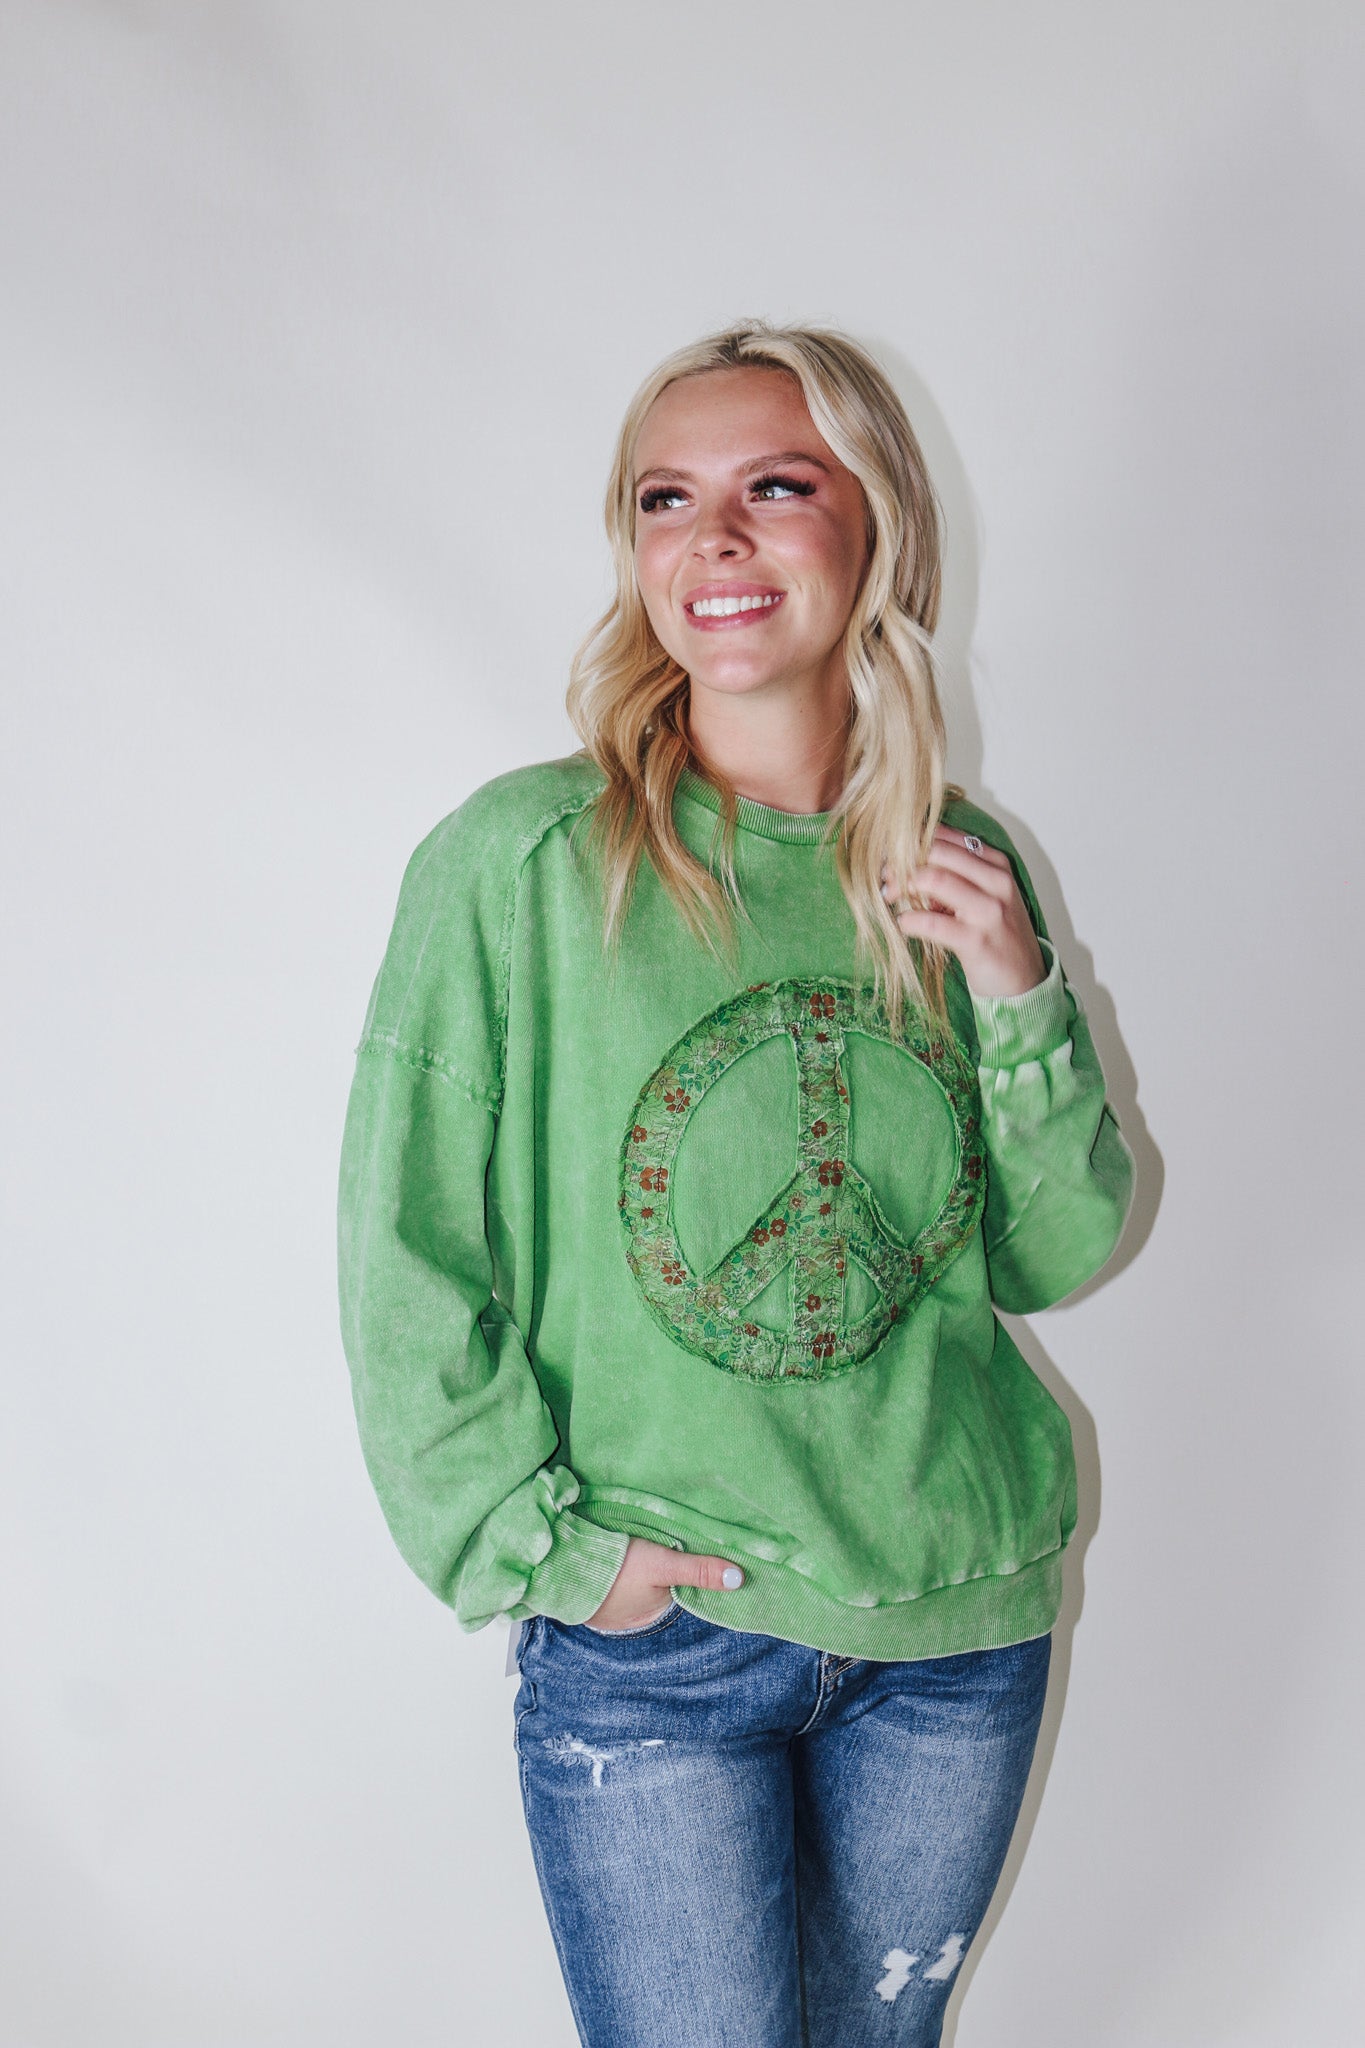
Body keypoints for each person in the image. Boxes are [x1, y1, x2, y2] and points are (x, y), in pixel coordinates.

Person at [337, 322, 1135, 2048]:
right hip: (662, 1643)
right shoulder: (525, 865)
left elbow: (1052, 1251)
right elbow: (408, 1252)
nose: (713, 538)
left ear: (876, 525)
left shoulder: (957, 863)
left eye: (775, 487)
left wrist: (1017, 996)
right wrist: (538, 1549)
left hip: (953, 1624)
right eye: (665, 498)